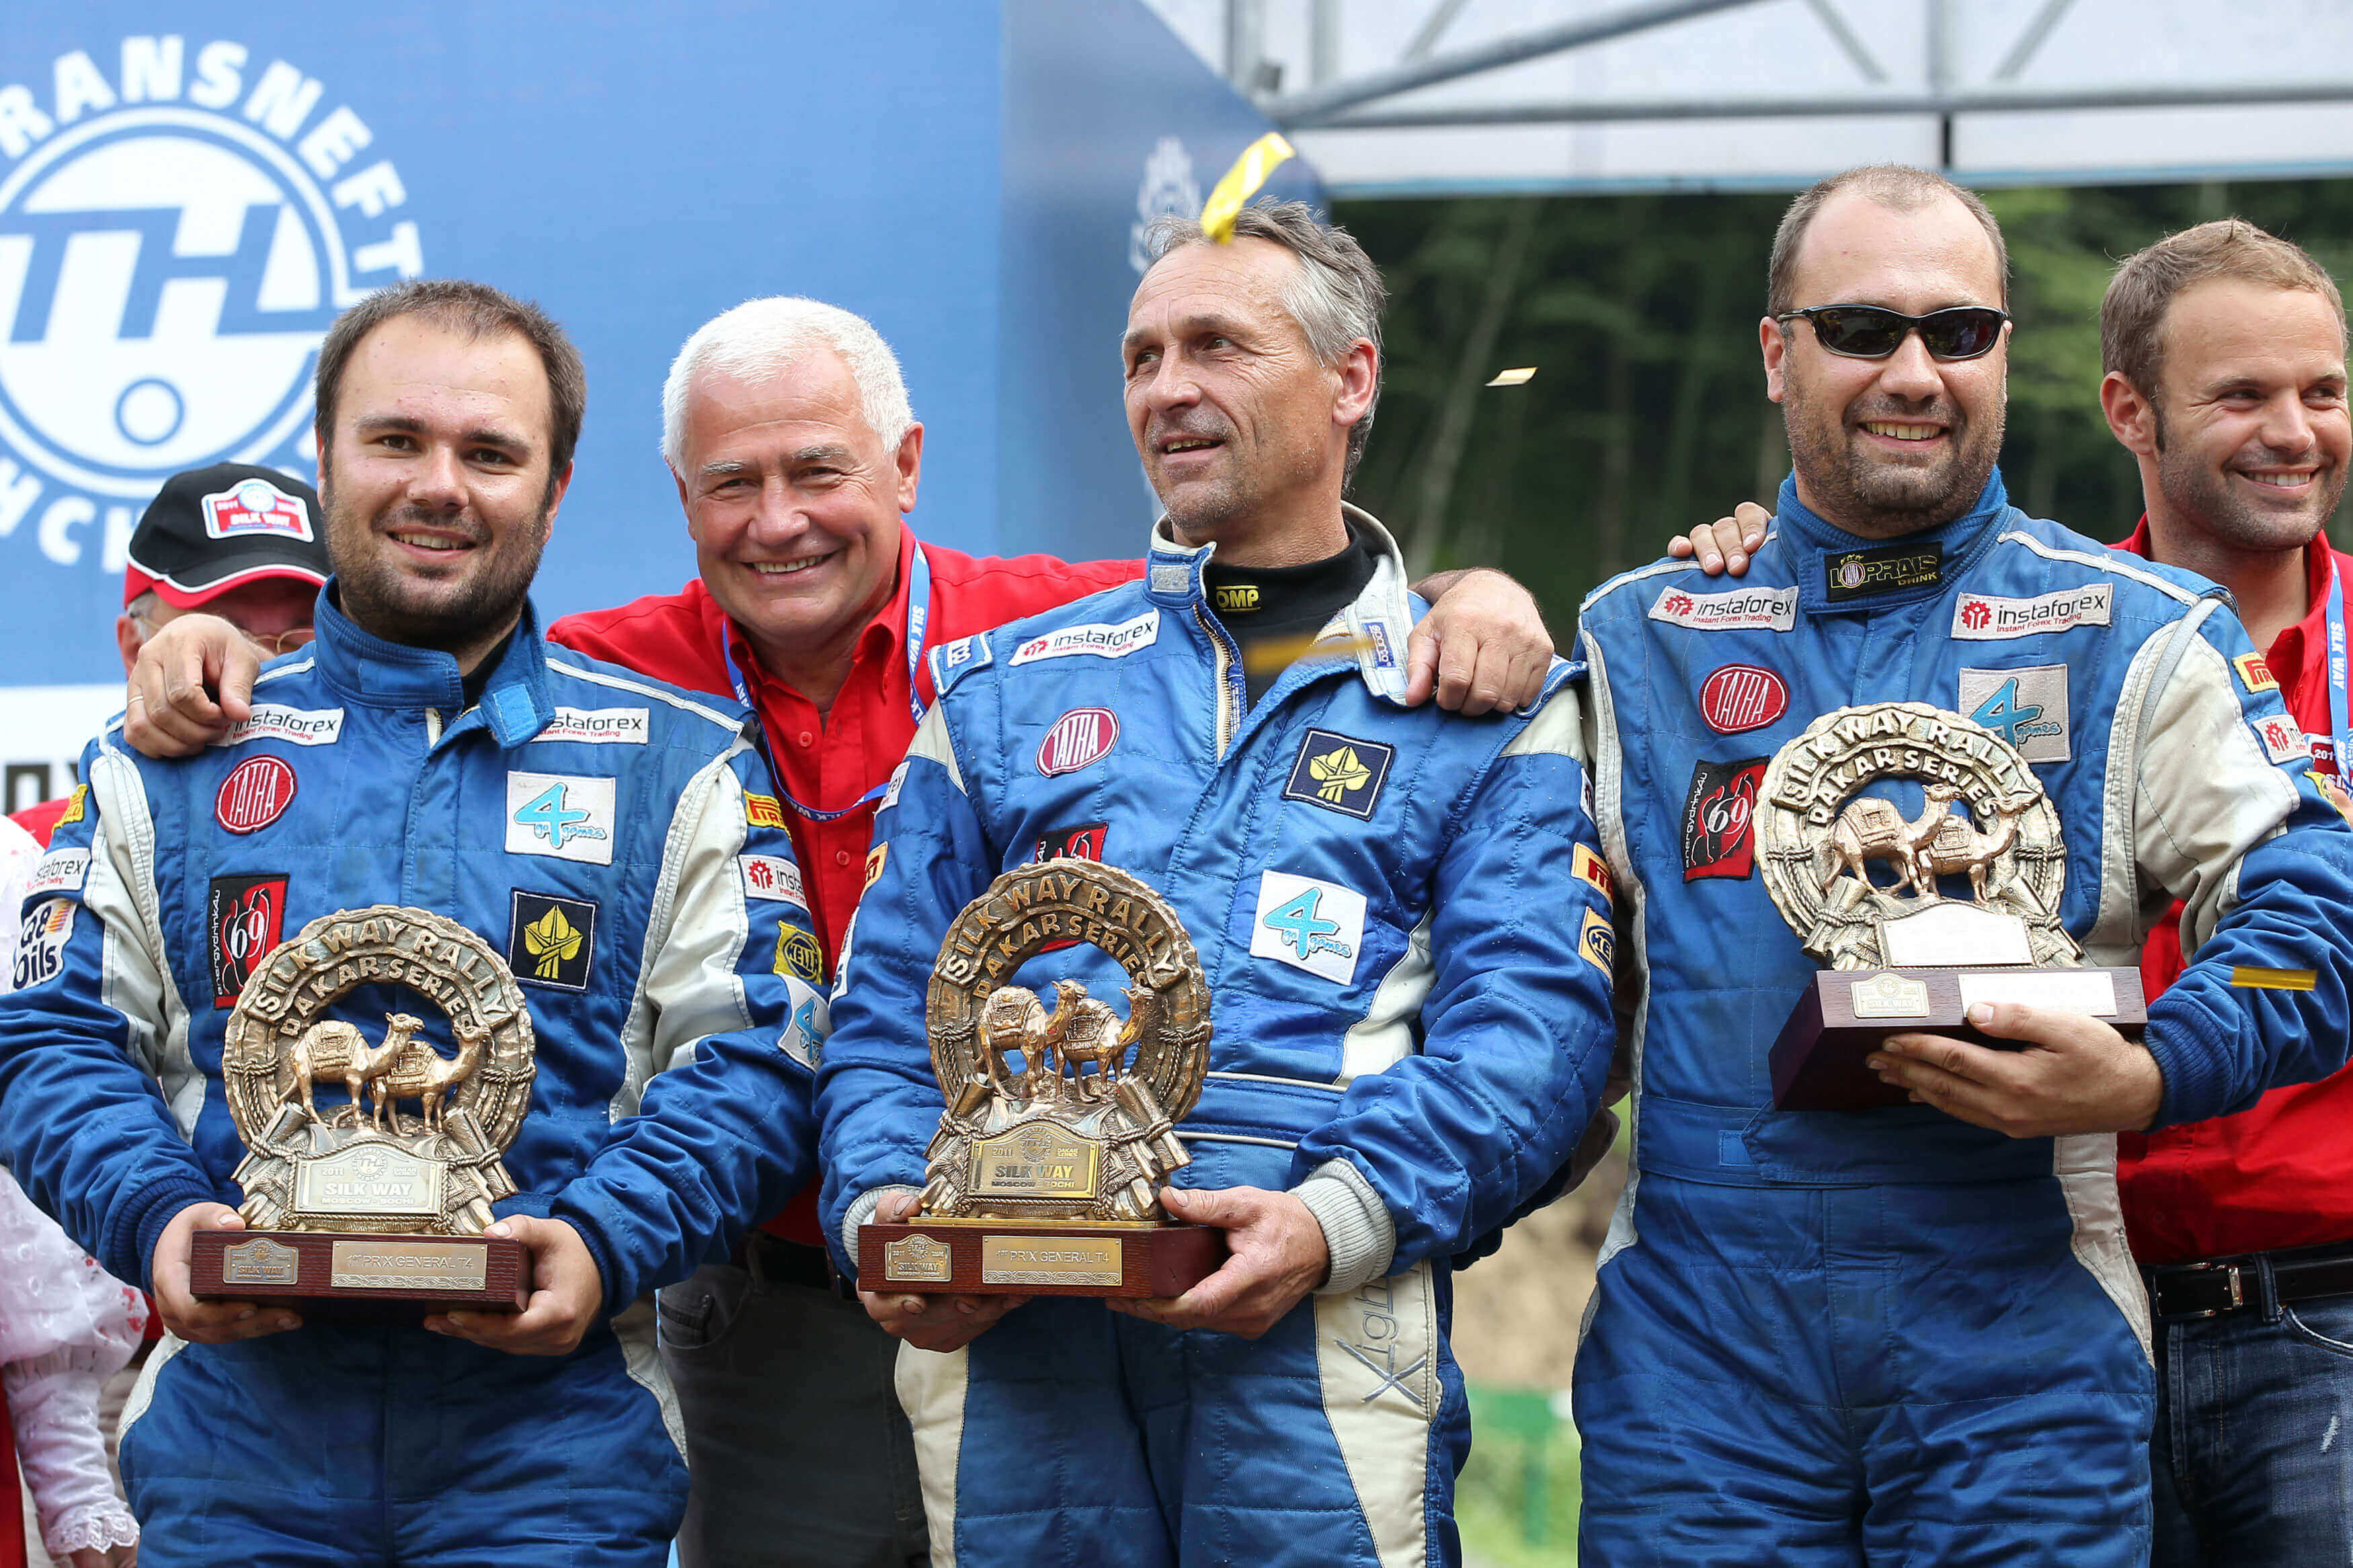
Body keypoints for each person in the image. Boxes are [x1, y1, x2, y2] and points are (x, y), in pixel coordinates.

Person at [120, 296, 1557, 1568]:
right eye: (731, 483)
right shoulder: (608, 682)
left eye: (818, 471)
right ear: (677, 496)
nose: (778, 520)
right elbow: (401, 687)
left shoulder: (1047, 632)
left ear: (906, 466)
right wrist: (226, 653)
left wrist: (1471, 597)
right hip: (769, 1308)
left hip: (1048, 1280)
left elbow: (1270, 609)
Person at [817, 200, 1618, 1568]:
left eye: (1216, 346)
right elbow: (887, 1009)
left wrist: (1334, 1220)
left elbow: (1537, 1037)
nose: (1167, 388)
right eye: (1142, 357)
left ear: (1350, 379)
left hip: (1318, 1329)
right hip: (1013, 1347)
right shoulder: (1003, 691)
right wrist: (887, 1211)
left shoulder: (1486, 700)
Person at [1572, 164, 2353, 1564]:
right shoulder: (1640, 637)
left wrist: (2156, 1068)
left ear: (2004, 350)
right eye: (1861, 330)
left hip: (2021, 1363)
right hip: (1700, 1369)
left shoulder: (2141, 632)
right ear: (1777, 354)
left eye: (1959, 330)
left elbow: (2321, 915)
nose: (1914, 372)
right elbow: (1516, 985)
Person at [0, 278, 825, 1568]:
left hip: (555, 1466)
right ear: (327, 455)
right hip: (235, 1461)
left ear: (554, 489)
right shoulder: (168, 752)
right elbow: (51, 1036)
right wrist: (156, 1218)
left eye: (490, 452)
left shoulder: (680, 762)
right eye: (398, 439)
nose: (441, 485)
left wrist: (604, 1240)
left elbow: (761, 1055)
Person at [10, 463, 329, 848]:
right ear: (135, 649)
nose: (265, 665)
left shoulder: (380, 826)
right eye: (221, 639)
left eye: (300, 645)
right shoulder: (33, 850)